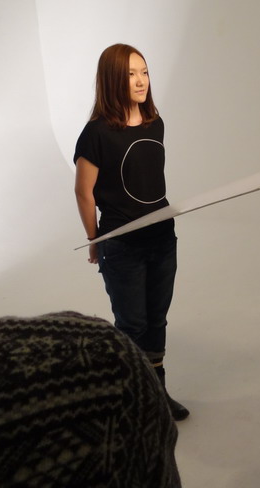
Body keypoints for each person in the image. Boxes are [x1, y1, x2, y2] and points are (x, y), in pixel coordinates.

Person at [74, 43, 188, 421]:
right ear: (112, 81)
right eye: (130, 75)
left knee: (156, 321)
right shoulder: (95, 134)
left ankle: (158, 394)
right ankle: (132, 399)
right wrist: (95, 240)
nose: (141, 81)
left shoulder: (156, 123)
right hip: (122, 245)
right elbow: (84, 191)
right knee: (132, 324)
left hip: (162, 239)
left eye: (144, 72)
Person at [0, 312, 181, 487]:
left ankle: (159, 381)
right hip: (120, 265)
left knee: (156, 319)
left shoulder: (103, 347)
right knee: (134, 321)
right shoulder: (102, 349)